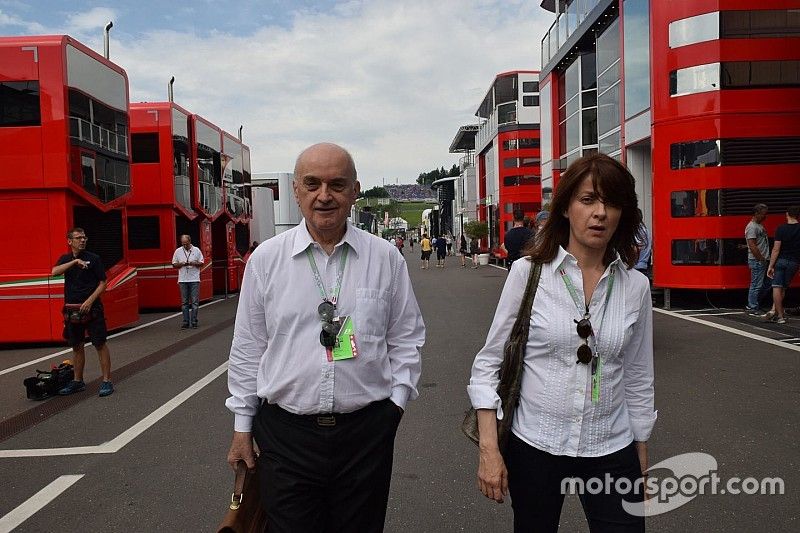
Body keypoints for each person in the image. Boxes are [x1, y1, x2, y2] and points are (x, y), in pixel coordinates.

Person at [225, 143, 425, 533]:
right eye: (312, 184)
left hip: (365, 433)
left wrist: (394, 407)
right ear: (296, 191)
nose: (324, 195)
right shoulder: (266, 261)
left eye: (337, 184)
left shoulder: (385, 258)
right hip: (285, 436)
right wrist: (242, 427)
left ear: (355, 190)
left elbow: (406, 337)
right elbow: (249, 346)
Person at [468, 153, 655, 532]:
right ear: (567, 208)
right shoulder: (528, 273)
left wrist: (641, 454)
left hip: (611, 446)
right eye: (588, 200)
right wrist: (489, 449)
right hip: (537, 444)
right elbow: (488, 365)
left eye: (611, 202)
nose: (600, 212)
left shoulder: (635, 286)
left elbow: (637, 376)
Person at [52, 228, 114, 397]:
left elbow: (103, 283)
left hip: (92, 309)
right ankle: (77, 381)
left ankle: (107, 381)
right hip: (72, 310)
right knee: (77, 345)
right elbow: (54, 272)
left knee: (99, 344)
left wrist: (90, 300)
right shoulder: (66, 259)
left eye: (84, 237)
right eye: (78, 238)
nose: (83, 240)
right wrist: (74, 262)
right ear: (69, 241)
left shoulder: (94, 259)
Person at [765, 205, 800, 324]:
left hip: (781, 260)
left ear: (787, 214)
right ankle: (775, 311)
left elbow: (776, 249)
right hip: (794, 262)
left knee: (776, 286)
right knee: (783, 287)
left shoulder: (781, 229)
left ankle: (779, 316)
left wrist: (770, 265)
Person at [172, 235, 204, 329]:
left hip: (194, 279)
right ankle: (186, 322)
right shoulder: (178, 251)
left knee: (194, 301)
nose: (184, 245)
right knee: (184, 302)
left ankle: (194, 321)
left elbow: (201, 263)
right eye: (183, 244)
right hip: (182, 279)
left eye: (186, 243)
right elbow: (174, 264)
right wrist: (181, 264)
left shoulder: (197, 250)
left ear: (190, 241)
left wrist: (194, 263)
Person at [745, 204, 770, 315]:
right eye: (763, 214)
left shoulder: (758, 226)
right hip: (758, 260)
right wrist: (760, 259)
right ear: (756, 213)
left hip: (761, 259)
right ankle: (752, 306)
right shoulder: (752, 227)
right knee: (756, 284)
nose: (765, 216)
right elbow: (752, 245)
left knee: (763, 284)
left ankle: (754, 304)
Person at [634, 209, 652, 278]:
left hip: (637, 267)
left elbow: (636, 248)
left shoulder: (638, 231)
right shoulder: (646, 230)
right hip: (644, 266)